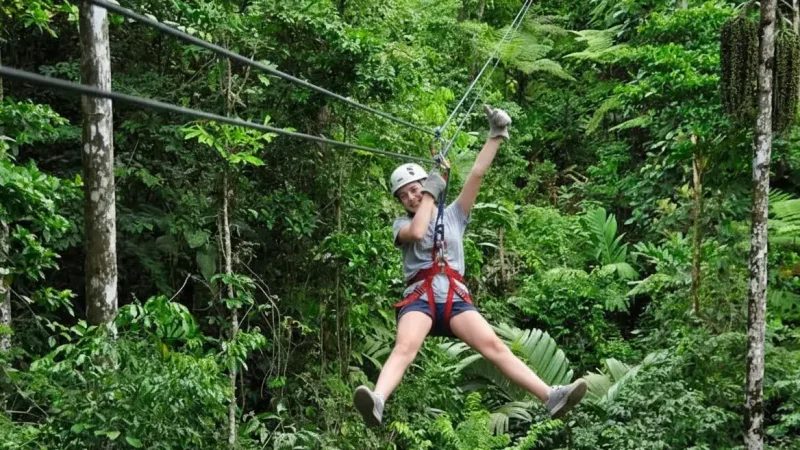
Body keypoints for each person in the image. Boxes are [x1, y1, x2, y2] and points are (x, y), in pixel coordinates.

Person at [353, 105, 587, 427]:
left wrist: (495, 136)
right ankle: (378, 400)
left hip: (453, 298)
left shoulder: (454, 215)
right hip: (420, 298)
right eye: (404, 195)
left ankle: (551, 396)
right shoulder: (400, 225)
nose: (411, 196)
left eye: (415, 188)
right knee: (405, 347)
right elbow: (419, 231)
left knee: (494, 346)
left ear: (425, 183)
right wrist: (430, 193)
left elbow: (476, 173)